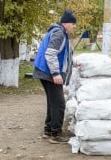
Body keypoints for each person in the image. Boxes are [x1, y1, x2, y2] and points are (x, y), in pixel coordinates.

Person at [33, 9, 77, 144]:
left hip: (44, 71)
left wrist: (74, 63)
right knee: (59, 103)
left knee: (53, 102)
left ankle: (48, 129)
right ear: (67, 23)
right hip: (49, 73)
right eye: (73, 24)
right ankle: (55, 133)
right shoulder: (59, 33)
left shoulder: (57, 31)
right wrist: (56, 73)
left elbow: (62, 55)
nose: (74, 27)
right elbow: (51, 54)